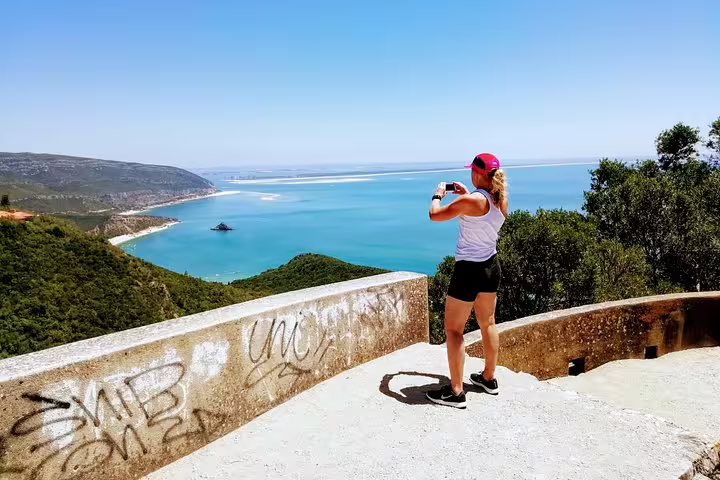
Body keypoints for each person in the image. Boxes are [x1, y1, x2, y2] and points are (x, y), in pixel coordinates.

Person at [425, 153, 508, 408]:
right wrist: (465, 194)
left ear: (477, 174)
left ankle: (456, 391)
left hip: (468, 271)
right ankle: (489, 378)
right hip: (491, 267)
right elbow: (476, 210)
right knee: (488, 323)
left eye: (472, 170)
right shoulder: (500, 199)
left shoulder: (472, 201)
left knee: (454, 330)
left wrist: (437, 195)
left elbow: (434, 215)